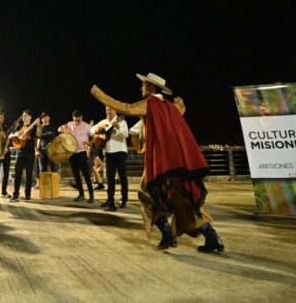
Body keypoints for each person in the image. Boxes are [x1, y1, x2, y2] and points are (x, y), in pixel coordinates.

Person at [91, 72, 224, 252]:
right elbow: (179, 113)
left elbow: (126, 108)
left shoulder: (150, 105)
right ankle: (211, 235)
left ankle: (167, 233)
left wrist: (100, 96)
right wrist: (181, 105)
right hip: (179, 163)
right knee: (182, 200)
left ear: (151, 88)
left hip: (161, 164)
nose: (141, 88)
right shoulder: (170, 107)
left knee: (148, 195)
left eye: (143, 85)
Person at [91, 106, 129, 211]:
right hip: (108, 152)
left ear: (115, 110)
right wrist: (97, 129)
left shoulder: (121, 121)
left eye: (110, 110)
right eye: (107, 110)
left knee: (122, 176)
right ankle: (110, 199)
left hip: (120, 151)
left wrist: (118, 127)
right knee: (110, 177)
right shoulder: (104, 121)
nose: (108, 111)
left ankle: (124, 199)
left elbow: (125, 134)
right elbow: (91, 129)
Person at [59, 110, 95, 203]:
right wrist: (61, 129)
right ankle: (81, 194)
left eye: (78, 120)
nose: (76, 122)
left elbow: (93, 136)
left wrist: (89, 142)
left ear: (81, 118)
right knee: (76, 174)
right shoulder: (69, 124)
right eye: (75, 120)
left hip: (82, 151)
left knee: (86, 174)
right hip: (72, 152)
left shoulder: (87, 126)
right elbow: (59, 129)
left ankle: (91, 195)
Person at [8, 110, 39, 202]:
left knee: (29, 175)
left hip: (30, 153)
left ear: (30, 117)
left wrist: (39, 125)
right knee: (17, 174)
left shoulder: (34, 127)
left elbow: (38, 135)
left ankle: (28, 195)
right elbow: (10, 136)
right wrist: (17, 134)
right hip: (20, 152)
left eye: (25, 115)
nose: (23, 117)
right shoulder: (20, 126)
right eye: (23, 115)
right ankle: (16, 194)